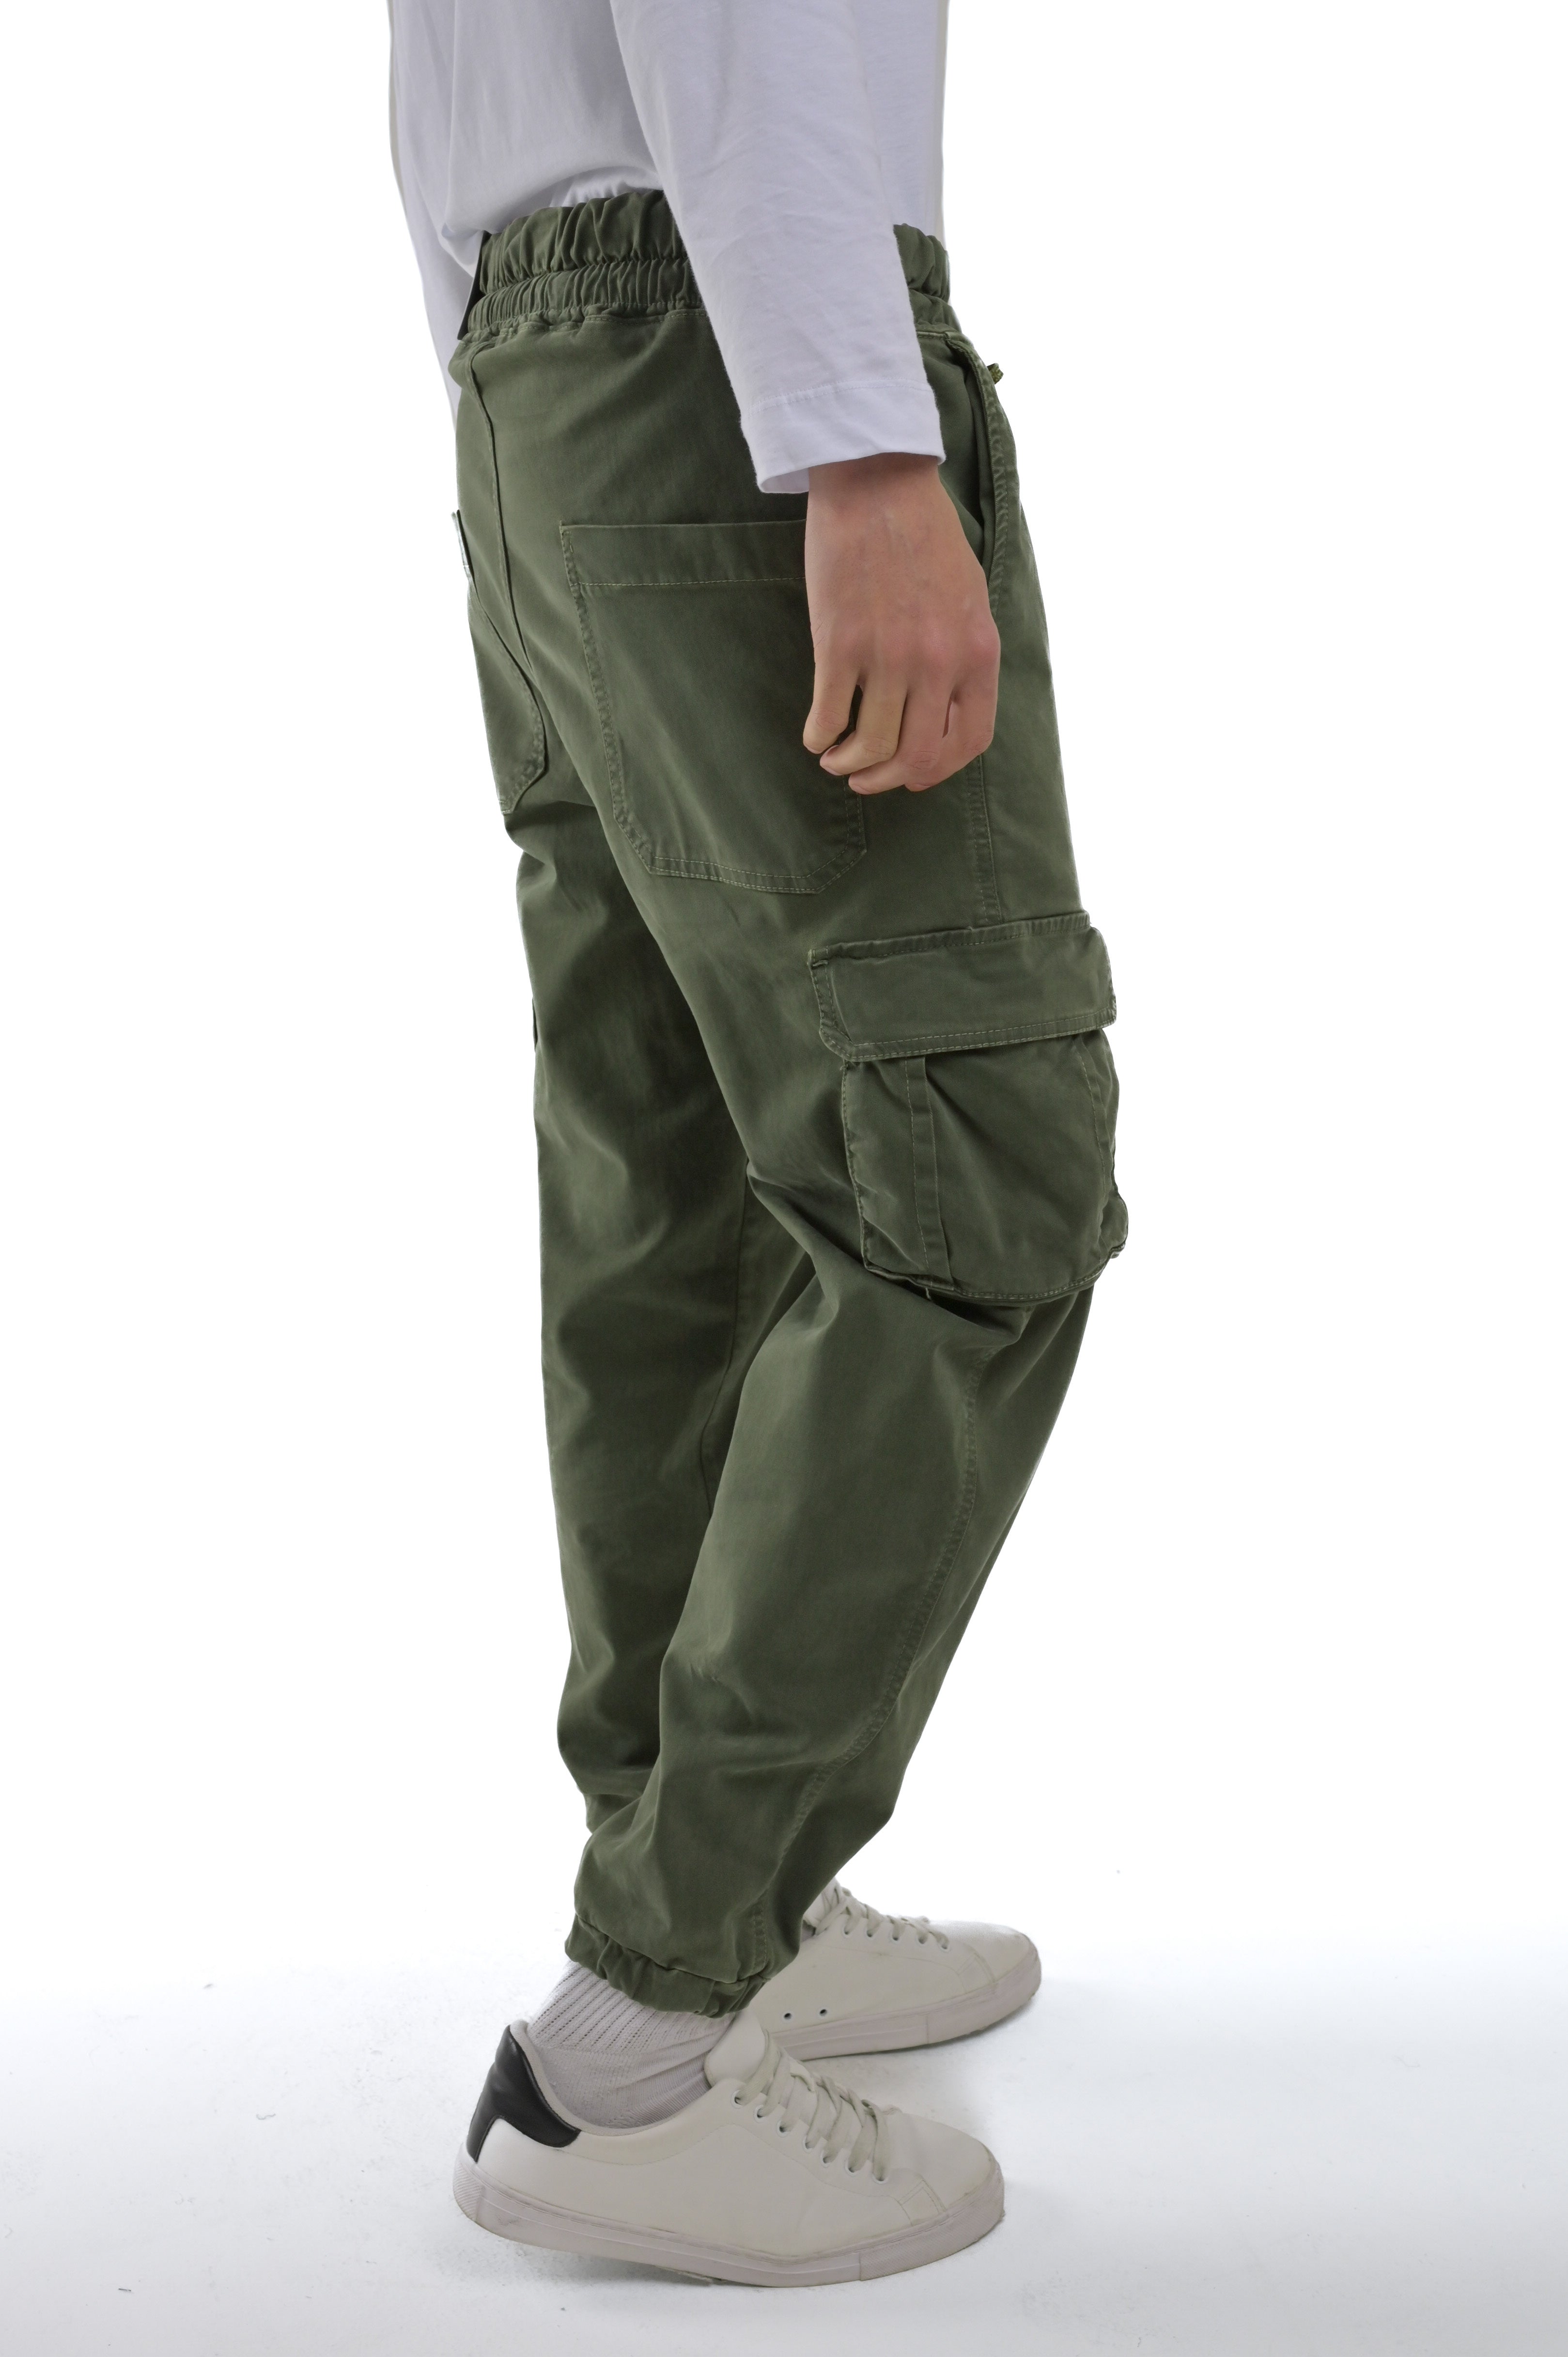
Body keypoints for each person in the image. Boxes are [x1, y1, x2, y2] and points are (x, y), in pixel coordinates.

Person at [388, 0, 1125, 2287]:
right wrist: (857, 438)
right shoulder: (805, 399)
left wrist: (522, 382)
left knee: (687, 1180)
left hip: (554, 364)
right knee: (968, 1168)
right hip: (731, 347)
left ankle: (718, 1881)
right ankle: (649, 2025)